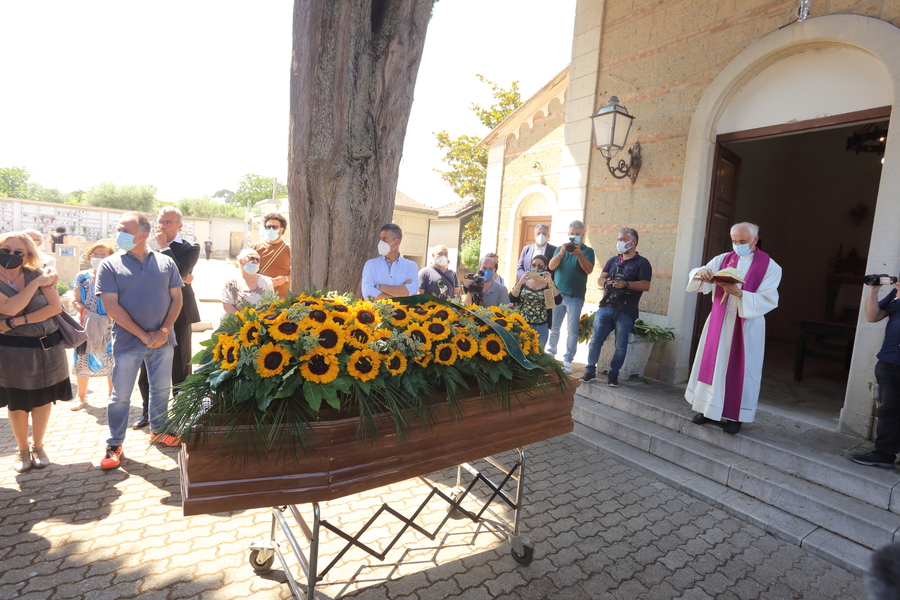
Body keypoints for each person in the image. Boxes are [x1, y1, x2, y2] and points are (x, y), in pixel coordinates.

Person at [96, 212, 183, 469]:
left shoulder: (166, 263)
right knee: (120, 396)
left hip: (163, 341)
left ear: (143, 235)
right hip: (127, 343)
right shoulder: (110, 264)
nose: (118, 232)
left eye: (125, 229)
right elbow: (111, 306)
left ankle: (160, 430)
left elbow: (177, 299)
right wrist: (145, 335)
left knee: (160, 390)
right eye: (119, 228)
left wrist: (163, 330)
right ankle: (114, 444)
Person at [685, 222, 782, 435]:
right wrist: (703, 273)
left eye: (743, 242)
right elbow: (696, 273)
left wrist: (740, 293)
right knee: (714, 365)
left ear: (755, 240)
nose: (738, 246)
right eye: (735, 241)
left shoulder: (771, 267)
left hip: (747, 325)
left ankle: (735, 416)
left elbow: (770, 299)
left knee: (741, 370)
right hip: (720, 321)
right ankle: (707, 409)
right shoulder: (723, 259)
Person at [0, 231, 68, 472]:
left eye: (18, 252)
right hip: (13, 353)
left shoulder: (38, 274)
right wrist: (36, 285)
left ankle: (38, 446)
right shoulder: (38, 279)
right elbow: (10, 307)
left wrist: (15, 323)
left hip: (48, 349)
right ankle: (21, 450)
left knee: (42, 401)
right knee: (17, 404)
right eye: (6, 250)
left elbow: (54, 308)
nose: (10, 255)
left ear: (27, 255)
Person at [133, 208, 200, 429]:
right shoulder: (144, 244)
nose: (162, 225)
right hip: (149, 311)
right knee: (147, 364)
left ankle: (182, 412)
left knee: (180, 364)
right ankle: (148, 412)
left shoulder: (190, 248)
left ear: (179, 225)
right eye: (160, 221)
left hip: (179, 313)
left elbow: (179, 271)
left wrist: (164, 247)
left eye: (168, 222)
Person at [580, 228, 653, 387]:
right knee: (595, 340)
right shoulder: (613, 260)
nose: (619, 242)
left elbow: (645, 285)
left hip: (626, 310)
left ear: (632, 242)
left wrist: (626, 284)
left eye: (622, 239)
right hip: (606, 306)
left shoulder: (642, 263)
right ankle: (590, 370)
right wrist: (607, 283)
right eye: (618, 239)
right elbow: (601, 279)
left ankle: (613, 375)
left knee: (620, 346)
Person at [848, 275, 900, 467]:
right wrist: (874, 290)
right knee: (888, 409)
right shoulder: (896, 292)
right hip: (889, 359)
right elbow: (873, 316)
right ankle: (884, 454)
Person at [70, 242, 116, 411]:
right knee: (82, 359)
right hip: (85, 325)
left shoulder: (116, 276)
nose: (98, 258)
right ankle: (81, 396)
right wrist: (87, 313)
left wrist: (113, 314)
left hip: (111, 326)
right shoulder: (82, 276)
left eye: (103, 255)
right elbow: (75, 300)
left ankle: (113, 395)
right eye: (95, 255)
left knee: (112, 359)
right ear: (89, 257)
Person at [546, 220, 596, 374]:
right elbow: (551, 266)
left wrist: (579, 254)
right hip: (557, 295)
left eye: (577, 234)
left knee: (572, 330)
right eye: (572, 234)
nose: (574, 236)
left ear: (582, 235)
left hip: (575, 296)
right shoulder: (560, 249)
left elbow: (589, 270)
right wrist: (561, 252)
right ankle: (550, 356)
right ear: (568, 234)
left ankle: (567, 361)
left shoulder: (588, 251)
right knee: (554, 328)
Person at [509, 254, 561, 350]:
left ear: (546, 267)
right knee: (522, 352)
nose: (536, 268)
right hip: (523, 325)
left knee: (539, 355)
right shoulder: (524, 282)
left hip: (541, 326)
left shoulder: (548, 283)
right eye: (533, 265)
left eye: (540, 266)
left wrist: (551, 283)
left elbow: (558, 300)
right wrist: (520, 282)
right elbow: (512, 298)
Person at [361, 223, 418, 300]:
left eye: (385, 239)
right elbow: (368, 294)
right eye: (380, 239)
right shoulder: (371, 265)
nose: (381, 243)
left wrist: (378, 287)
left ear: (397, 242)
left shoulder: (411, 266)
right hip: (376, 311)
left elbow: (412, 293)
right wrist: (400, 294)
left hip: (401, 312)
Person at [221, 248, 274, 313]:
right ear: (241, 261)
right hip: (237, 321)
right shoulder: (231, 282)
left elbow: (271, 304)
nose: (255, 261)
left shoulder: (267, 281)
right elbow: (227, 304)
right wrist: (241, 320)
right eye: (251, 258)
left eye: (258, 259)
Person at [252, 213, 291, 298]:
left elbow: (298, 274)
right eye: (268, 227)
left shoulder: (290, 249)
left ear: (281, 230)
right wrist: (263, 280)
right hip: (259, 296)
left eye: (275, 227)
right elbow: (245, 272)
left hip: (282, 298)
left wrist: (285, 279)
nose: (271, 229)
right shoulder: (255, 247)